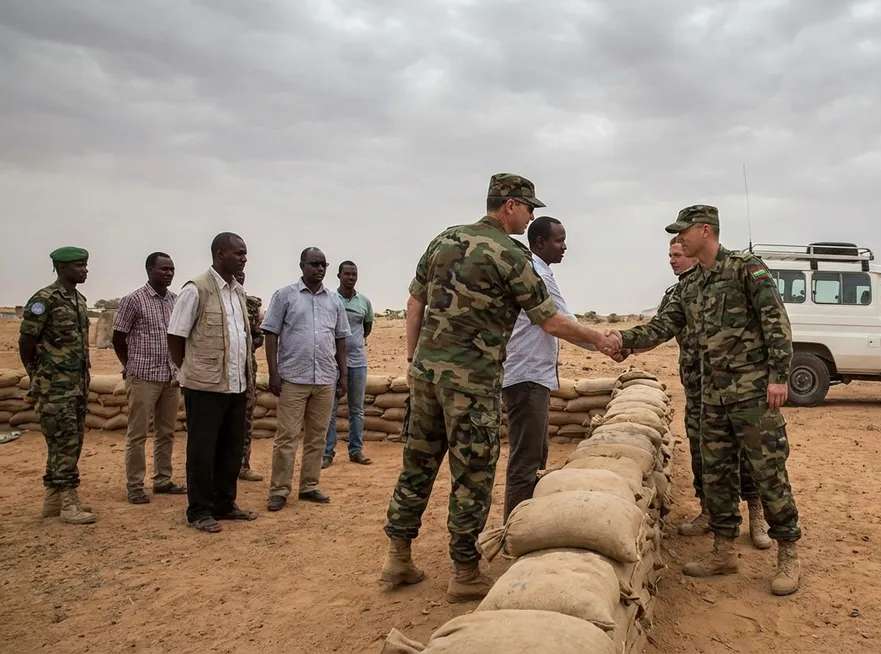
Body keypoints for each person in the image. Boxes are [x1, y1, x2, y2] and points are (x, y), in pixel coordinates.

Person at [378, 173, 620, 602]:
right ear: (509, 205)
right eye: (529, 208)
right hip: (471, 385)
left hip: (426, 379)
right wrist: (598, 339)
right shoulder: (510, 254)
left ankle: (398, 556)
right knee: (472, 474)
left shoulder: (443, 240)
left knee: (417, 465)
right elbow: (549, 319)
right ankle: (465, 571)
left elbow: (415, 302)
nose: (531, 217)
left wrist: (416, 361)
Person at [612, 205, 803, 596]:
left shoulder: (745, 268)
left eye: (683, 233)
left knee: (768, 473)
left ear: (705, 231)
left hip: (752, 393)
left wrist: (779, 377)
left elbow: (776, 323)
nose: (678, 240)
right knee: (716, 475)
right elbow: (663, 326)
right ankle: (723, 549)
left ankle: (788, 553)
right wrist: (621, 342)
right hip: (712, 396)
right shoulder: (690, 285)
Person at [654, 236, 772, 548]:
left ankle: (756, 514)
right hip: (697, 389)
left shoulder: (730, 280)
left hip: (737, 387)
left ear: (694, 254)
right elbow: (659, 328)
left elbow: (771, 325)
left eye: (677, 253)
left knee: (748, 453)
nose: (672, 260)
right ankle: (709, 511)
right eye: (670, 254)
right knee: (703, 454)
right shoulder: (677, 293)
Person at [500, 215, 589, 520]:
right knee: (526, 459)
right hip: (525, 377)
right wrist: (606, 342)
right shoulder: (537, 272)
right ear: (540, 242)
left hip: (531, 377)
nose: (564, 246)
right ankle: (515, 527)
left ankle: (529, 521)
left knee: (536, 455)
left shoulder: (539, 270)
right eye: (559, 240)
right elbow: (560, 322)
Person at [167, 232, 257, 533]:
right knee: (202, 451)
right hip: (204, 387)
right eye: (239, 253)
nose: (244, 258)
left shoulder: (237, 292)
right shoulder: (196, 289)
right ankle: (199, 510)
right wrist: (189, 372)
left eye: (245, 254)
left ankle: (225, 503)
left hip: (236, 384)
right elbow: (176, 336)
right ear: (221, 254)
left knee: (230, 449)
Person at [262, 247, 349, 512]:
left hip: (324, 378)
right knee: (287, 436)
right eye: (314, 264)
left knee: (317, 438)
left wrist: (342, 375)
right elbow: (271, 334)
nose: (320, 269)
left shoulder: (334, 301)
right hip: (293, 379)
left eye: (323, 264)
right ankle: (279, 490)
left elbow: (341, 338)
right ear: (302, 265)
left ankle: (309, 486)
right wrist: (274, 372)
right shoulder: (285, 296)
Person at [19, 246, 95, 525]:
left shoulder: (79, 299)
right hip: (55, 386)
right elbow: (26, 341)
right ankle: (68, 502)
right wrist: (36, 374)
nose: (85, 269)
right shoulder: (44, 299)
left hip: (77, 384)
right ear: (61, 268)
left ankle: (52, 498)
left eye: (86, 265)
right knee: (64, 442)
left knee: (70, 441)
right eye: (79, 265)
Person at [113, 252, 186, 503]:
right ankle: (134, 485)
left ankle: (162, 480)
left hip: (170, 378)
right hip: (143, 376)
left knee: (167, 432)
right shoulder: (133, 300)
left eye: (172, 269)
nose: (169, 273)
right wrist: (130, 366)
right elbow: (118, 338)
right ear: (149, 270)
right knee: (138, 434)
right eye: (163, 269)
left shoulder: (175, 301)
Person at [323, 260, 374, 468]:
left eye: (354, 274)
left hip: (358, 361)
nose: (351, 278)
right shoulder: (331, 300)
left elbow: (367, 327)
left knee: (357, 409)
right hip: (333, 362)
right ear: (339, 276)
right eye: (347, 274)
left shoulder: (364, 302)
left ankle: (356, 450)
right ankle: (327, 453)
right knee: (330, 410)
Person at [235, 269, 265, 482]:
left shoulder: (251, 305)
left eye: (242, 276)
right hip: (219, 373)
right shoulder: (212, 301)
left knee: (246, 418)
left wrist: (251, 343)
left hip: (246, 370)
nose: (240, 279)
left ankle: (243, 465)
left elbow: (258, 336)